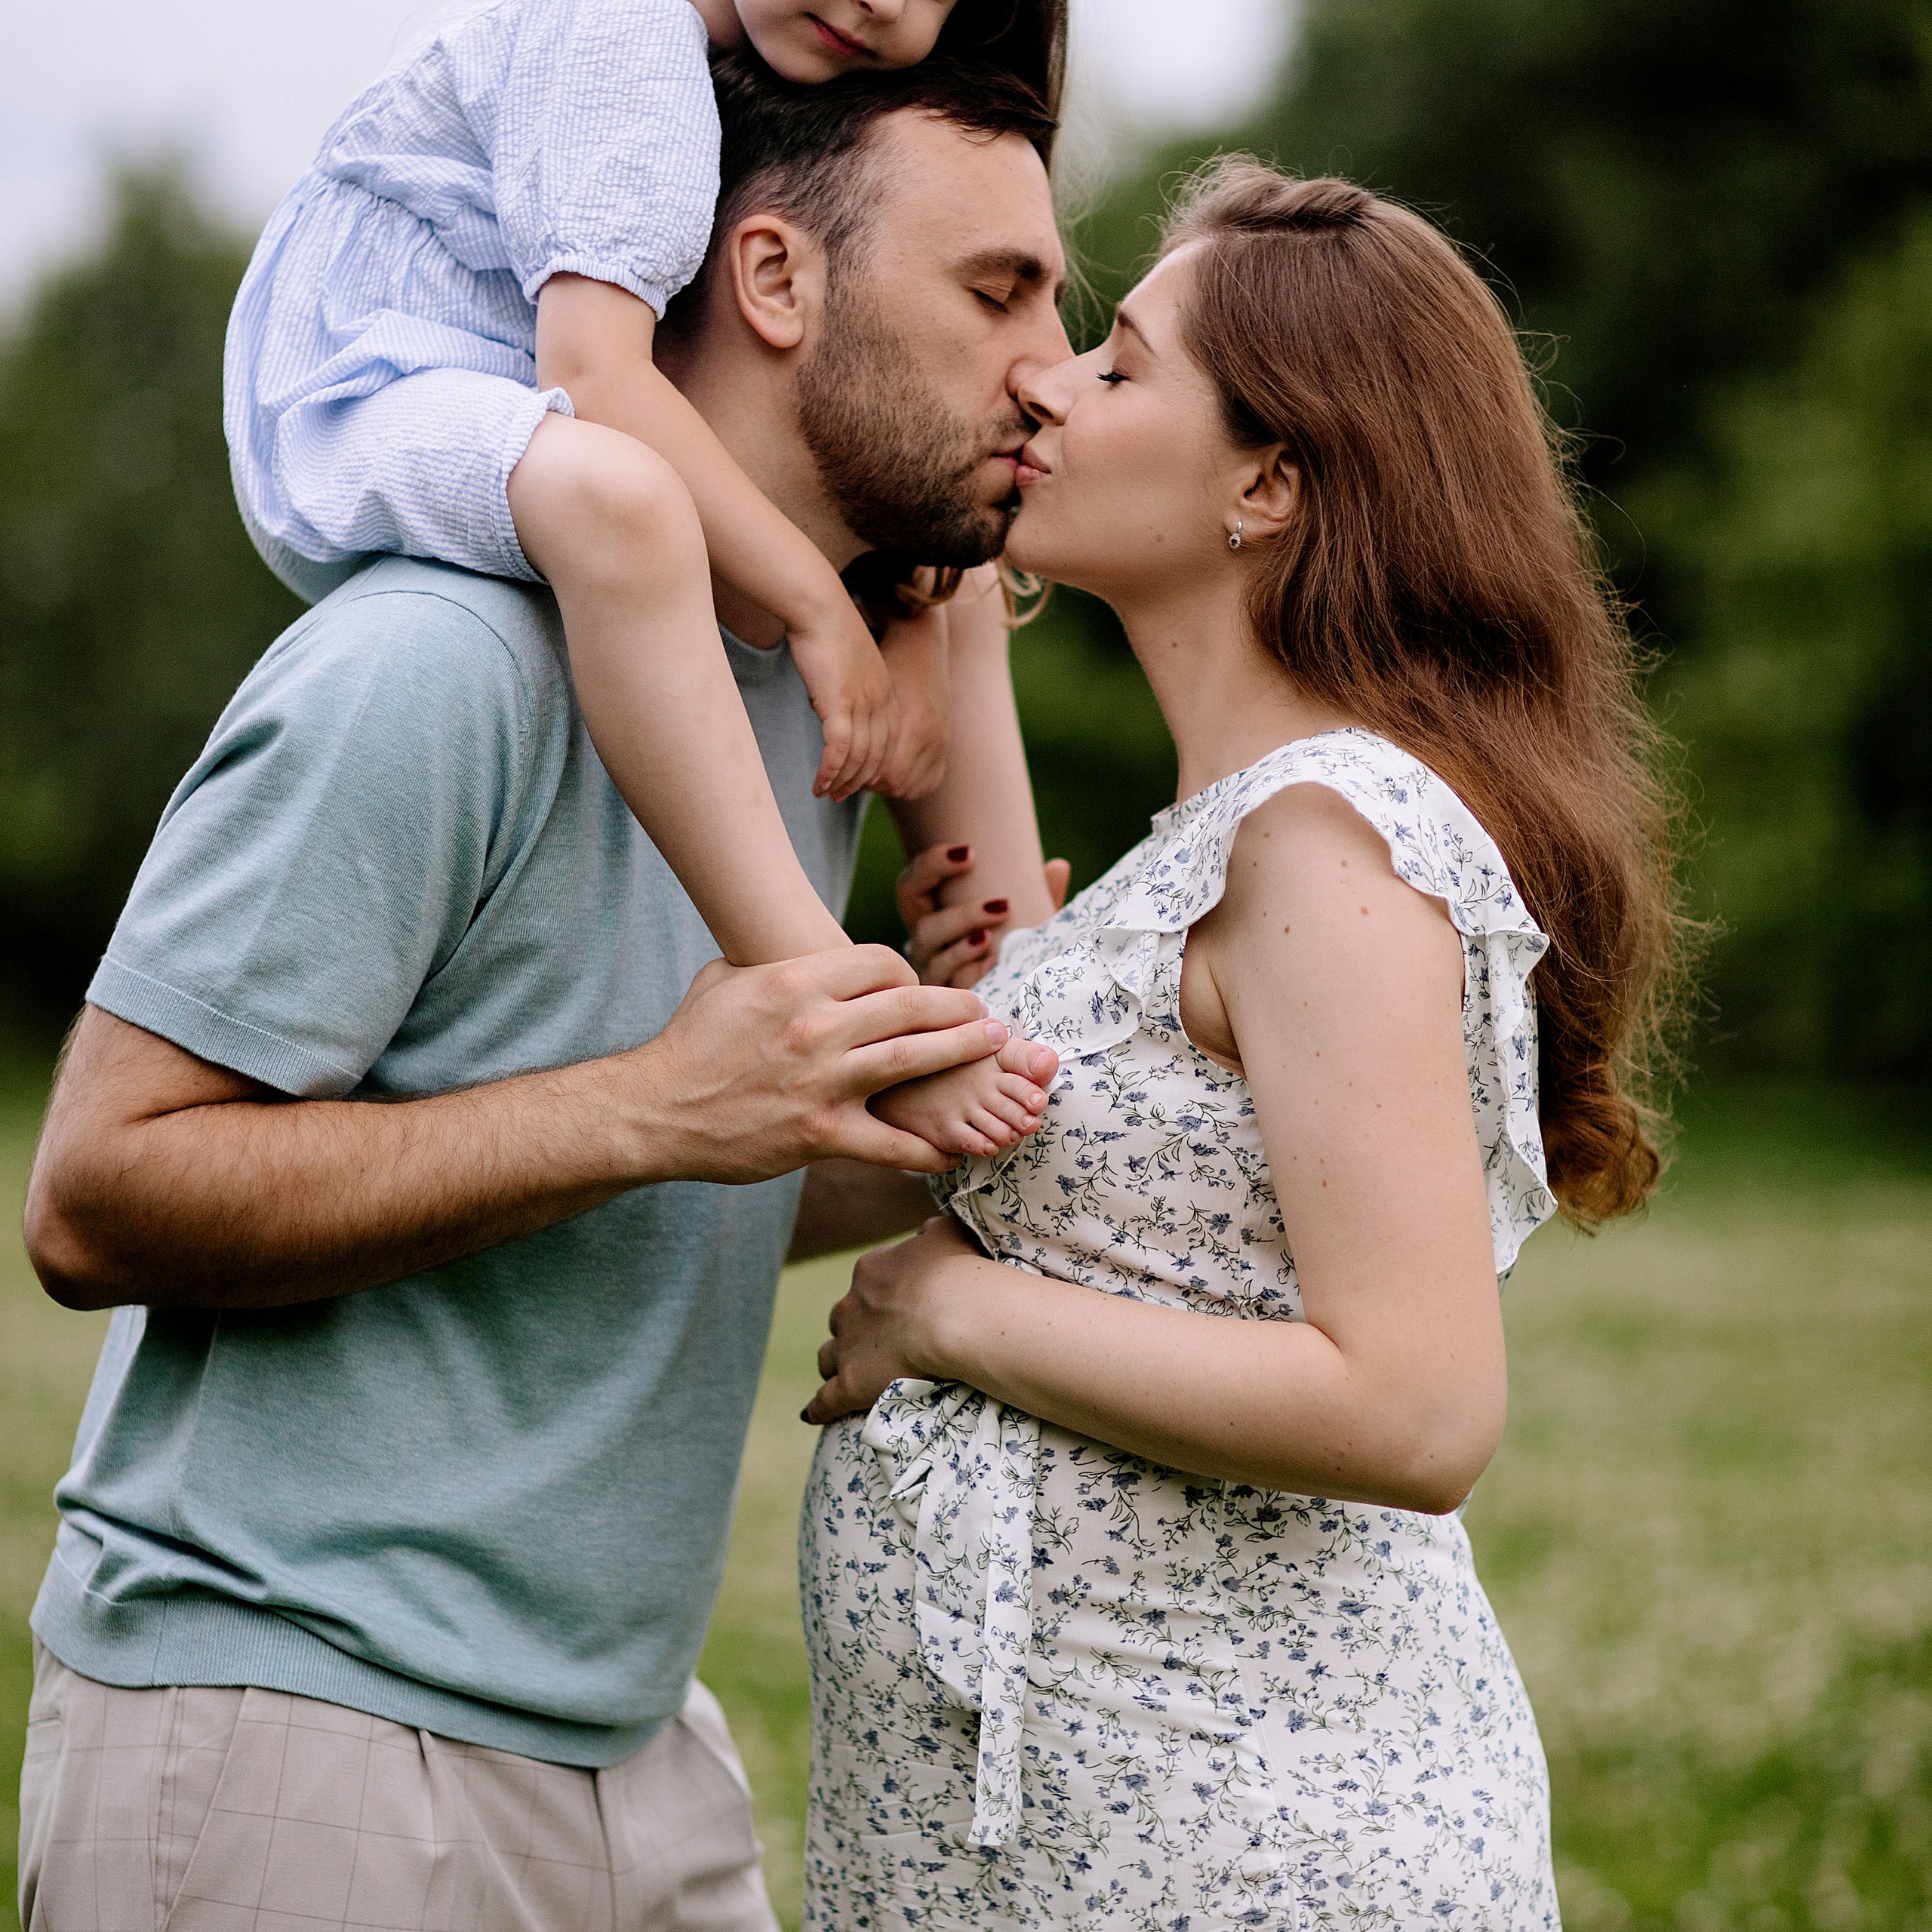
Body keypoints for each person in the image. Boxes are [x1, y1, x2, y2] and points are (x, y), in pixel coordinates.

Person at [19, 54, 1069, 1931]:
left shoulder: (805, 711)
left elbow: (693, 1158)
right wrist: (648, 1105)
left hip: (636, 1752)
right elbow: (96, 1194)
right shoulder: (431, 658)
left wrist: (918, 1115)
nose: (1051, 368)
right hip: (296, 1737)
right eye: (1000, 293)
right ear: (772, 280)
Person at [799, 162, 1687, 1926]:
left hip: (1249, 1846)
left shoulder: (1326, 839)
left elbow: (1414, 1401)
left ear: (1268, 480)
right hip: (1096, 1838)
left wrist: (948, 1310)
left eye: (1117, 367)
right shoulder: (1212, 839)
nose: (1050, 381)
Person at [225, 0, 1068, 1158]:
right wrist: (824, 608)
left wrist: (906, 614)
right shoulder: (622, 33)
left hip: (500, 402)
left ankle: (985, 1006)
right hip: (359, 391)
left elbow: (721, 1199)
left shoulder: (749, 63)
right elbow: (593, 377)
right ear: (769, 275)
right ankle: (828, 992)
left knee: (929, 583)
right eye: (994, 292)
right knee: (624, 503)